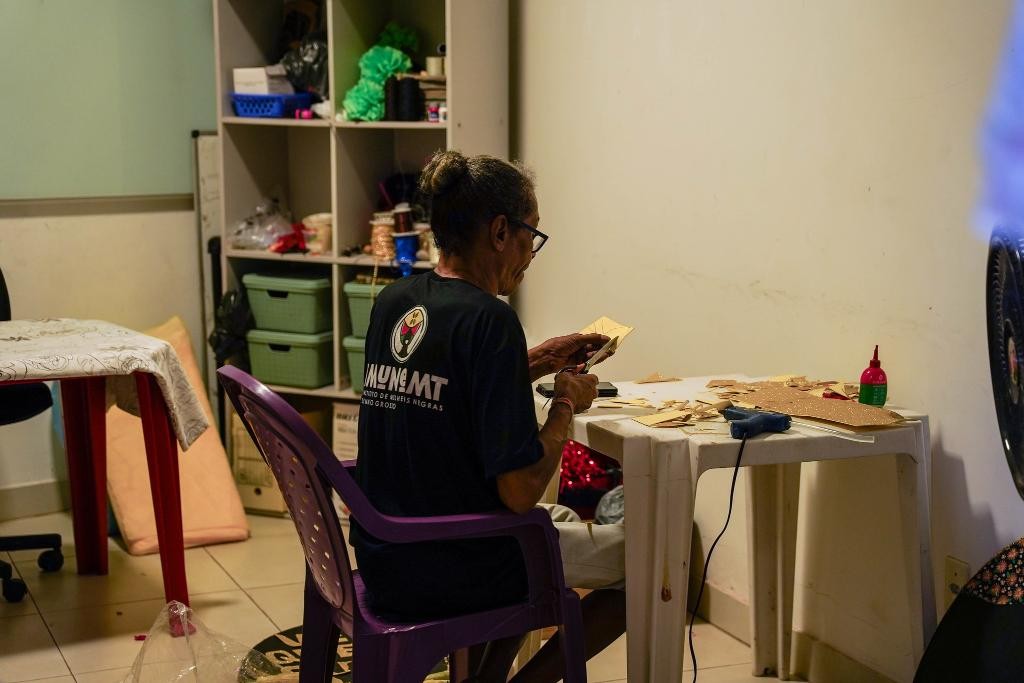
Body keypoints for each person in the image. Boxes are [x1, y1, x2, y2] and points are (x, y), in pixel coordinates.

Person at [350, 150, 626, 682]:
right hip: (453, 566)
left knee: (561, 521)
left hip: (387, 553)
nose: (531, 255)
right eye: (531, 235)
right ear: (501, 232)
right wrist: (565, 404)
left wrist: (536, 360)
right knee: (656, 559)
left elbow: (448, 390)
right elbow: (519, 491)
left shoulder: (395, 301)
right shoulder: (491, 320)